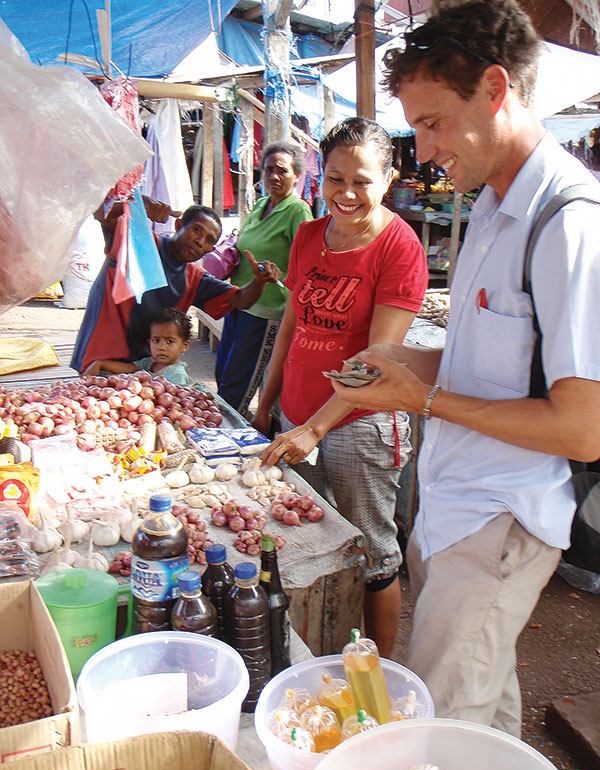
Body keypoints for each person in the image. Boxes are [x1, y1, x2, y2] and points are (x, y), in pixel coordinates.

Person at [332, 0, 600, 736]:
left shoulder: (569, 222)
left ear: (495, 88)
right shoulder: (491, 205)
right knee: (486, 704)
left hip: (501, 517)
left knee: (441, 728)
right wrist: (404, 358)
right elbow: (499, 364)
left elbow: (581, 428)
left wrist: (422, 398)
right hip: (458, 506)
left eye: (432, 122)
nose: (423, 150)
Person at [254, 118, 428, 658]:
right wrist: (268, 397)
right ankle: (317, 656)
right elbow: (292, 322)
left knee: (375, 556)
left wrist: (316, 427)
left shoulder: (399, 248)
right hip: (298, 417)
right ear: (320, 178)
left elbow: (378, 362)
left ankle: (377, 672)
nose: (346, 194)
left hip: (360, 426)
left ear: (389, 178)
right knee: (304, 543)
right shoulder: (308, 235)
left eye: (362, 180)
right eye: (335, 179)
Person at [71, 202, 281, 373]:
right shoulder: (138, 244)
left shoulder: (195, 278)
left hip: (142, 371)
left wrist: (259, 282)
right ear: (179, 226)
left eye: (209, 240)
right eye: (196, 230)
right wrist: (140, 205)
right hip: (98, 364)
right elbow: (100, 210)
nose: (200, 241)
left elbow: (241, 299)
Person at [216, 142, 313, 414]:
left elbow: (307, 264)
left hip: (267, 312)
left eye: (282, 171)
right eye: (268, 170)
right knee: (225, 374)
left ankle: (230, 440)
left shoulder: (298, 211)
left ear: (296, 176)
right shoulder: (260, 206)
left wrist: (280, 274)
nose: (273, 177)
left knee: (238, 386)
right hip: (240, 303)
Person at [83, 307, 193, 385]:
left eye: (169, 341)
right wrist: (100, 364)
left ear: (185, 345)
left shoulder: (177, 375)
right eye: (156, 340)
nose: (161, 347)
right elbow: (129, 368)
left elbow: (174, 402)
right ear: (149, 341)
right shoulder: (151, 362)